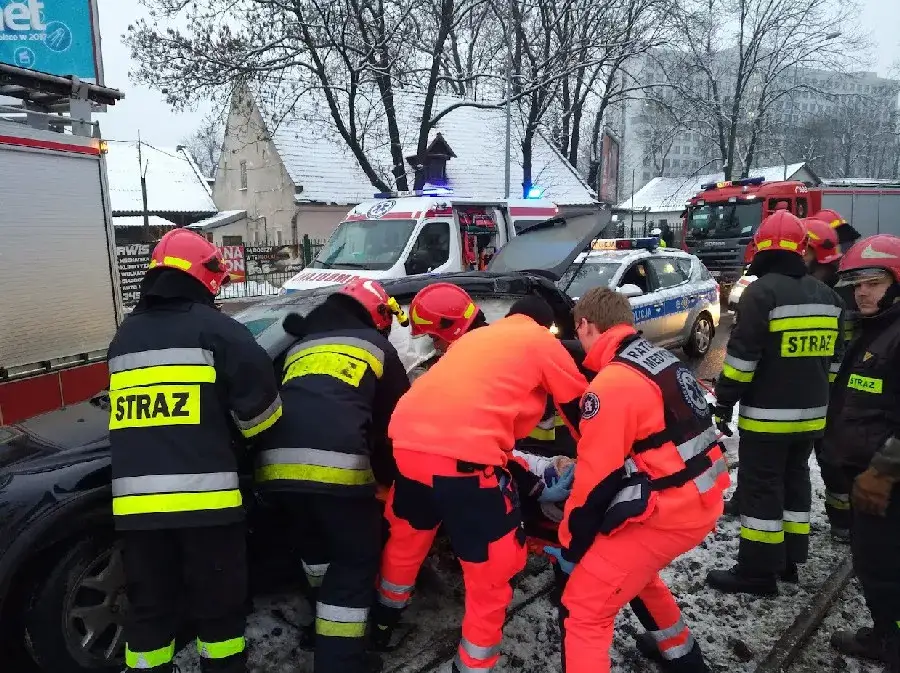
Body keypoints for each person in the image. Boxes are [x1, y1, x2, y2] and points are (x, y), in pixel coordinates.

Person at [371, 283, 588, 672]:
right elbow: (581, 411)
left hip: (406, 448)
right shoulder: (541, 341)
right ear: (546, 324)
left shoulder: (475, 342)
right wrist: (597, 462)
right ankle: (472, 665)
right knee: (492, 570)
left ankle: (383, 623)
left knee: (405, 544)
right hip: (464, 466)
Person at [107, 229, 283, 673]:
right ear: (205, 276)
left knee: (149, 614)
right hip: (208, 509)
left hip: (137, 513)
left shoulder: (123, 338)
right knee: (218, 615)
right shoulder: (219, 331)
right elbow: (261, 416)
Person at [544, 287, 728, 673]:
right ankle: (683, 657)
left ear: (585, 324)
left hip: (669, 512)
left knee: (584, 608)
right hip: (702, 496)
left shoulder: (612, 384)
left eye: (577, 332)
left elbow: (597, 479)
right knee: (636, 575)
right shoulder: (659, 359)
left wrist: (573, 541)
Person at [254, 278, 411, 673]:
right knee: (355, 562)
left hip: (276, 470)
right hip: (337, 471)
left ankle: (319, 628)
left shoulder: (299, 348)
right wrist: (390, 481)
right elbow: (394, 425)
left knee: (317, 554)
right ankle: (340, 662)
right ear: (376, 314)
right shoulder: (376, 347)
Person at [706, 211, 845, 596]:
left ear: (760, 248)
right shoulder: (829, 297)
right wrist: (818, 394)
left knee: (761, 486)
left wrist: (723, 402)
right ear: (802, 250)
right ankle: (787, 560)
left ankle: (756, 571)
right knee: (795, 480)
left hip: (768, 418)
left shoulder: (761, 293)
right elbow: (835, 361)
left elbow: (741, 360)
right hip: (812, 416)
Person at [819, 234, 900, 672]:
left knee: (887, 569)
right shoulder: (880, 330)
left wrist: (883, 473)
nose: (861, 292)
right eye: (857, 284)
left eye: (872, 282)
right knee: (875, 565)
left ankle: (893, 643)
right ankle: (886, 632)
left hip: (886, 486)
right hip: (869, 481)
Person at [803, 217, 858, 540]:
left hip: (843, 396)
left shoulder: (848, 289)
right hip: (821, 390)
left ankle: (846, 522)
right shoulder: (823, 285)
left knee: (836, 458)